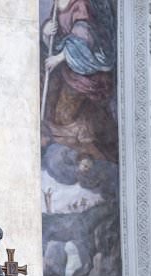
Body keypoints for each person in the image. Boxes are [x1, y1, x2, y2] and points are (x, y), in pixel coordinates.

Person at [41, 0, 118, 162]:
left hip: (86, 70)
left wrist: (59, 57)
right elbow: (58, 39)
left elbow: (84, 38)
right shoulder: (57, 5)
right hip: (67, 69)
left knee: (63, 118)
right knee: (51, 111)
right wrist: (46, 33)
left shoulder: (80, 5)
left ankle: (89, 150)